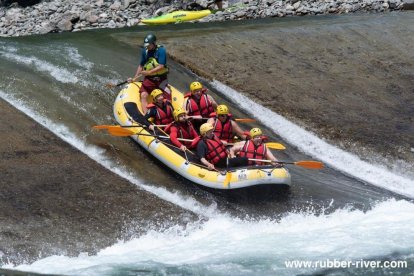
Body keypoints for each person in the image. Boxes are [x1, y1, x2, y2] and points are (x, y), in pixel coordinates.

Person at [128, 33, 170, 113]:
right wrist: (134, 78)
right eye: (146, 45)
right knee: (143, 95)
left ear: (153, 43)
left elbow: (161, 66)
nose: (147, 46)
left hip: (161, 78)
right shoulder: (145, 51)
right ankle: (146, 116)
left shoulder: (161, 50)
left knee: (167, 95)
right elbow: (141, 65)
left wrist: (148, 72)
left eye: (149, 45)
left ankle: (167, 114)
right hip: (149, 79)